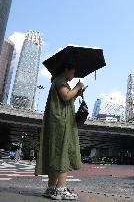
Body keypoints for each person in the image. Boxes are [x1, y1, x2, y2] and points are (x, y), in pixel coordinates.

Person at [35, 63, 86, 200]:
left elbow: (67, 99)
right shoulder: (60, 81)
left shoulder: (58, 82)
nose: (73, 75)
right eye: (73, 71)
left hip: (58, 121)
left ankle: (51, 188)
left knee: (56, 154)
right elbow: (65, 96)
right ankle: (61, 189)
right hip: (61, 123)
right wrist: (78, 87)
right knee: (63, 154)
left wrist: (77, 93)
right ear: (66, 69)